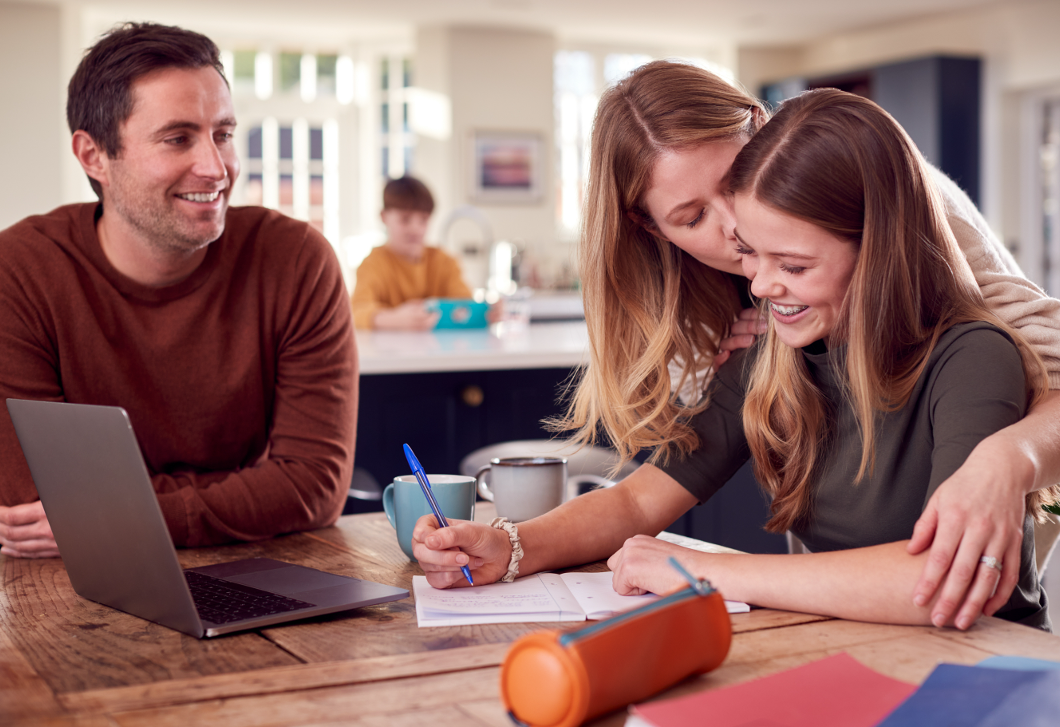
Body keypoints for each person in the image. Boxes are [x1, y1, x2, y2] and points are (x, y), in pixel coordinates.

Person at [414, 86, 1060, 631]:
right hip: (849, 645)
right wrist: (513, 546)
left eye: (792, 262)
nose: (754, 276)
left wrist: (701, 570)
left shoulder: (973, 354)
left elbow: (937, 581)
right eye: (752, 252)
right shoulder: (773, 348)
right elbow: (640, 500)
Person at [0, 23, 356, 556]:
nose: (217, 168)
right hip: (73, 585)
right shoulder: (19, 272)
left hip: (259, 566)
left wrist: (120, 514)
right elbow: (32, 502)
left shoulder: (297, 261)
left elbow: (314, 486)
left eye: (224, 134)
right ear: (93, 155)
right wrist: (249, 490)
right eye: (177, 138)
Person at [350, 176, 475, 330]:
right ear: (384, 217)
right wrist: (394, 319)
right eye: (405, 219)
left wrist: (486, 314)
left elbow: (467, 305)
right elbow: (356, 311)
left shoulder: (445, 262)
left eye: (423, 220)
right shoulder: (372, 264)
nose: (415, 229)